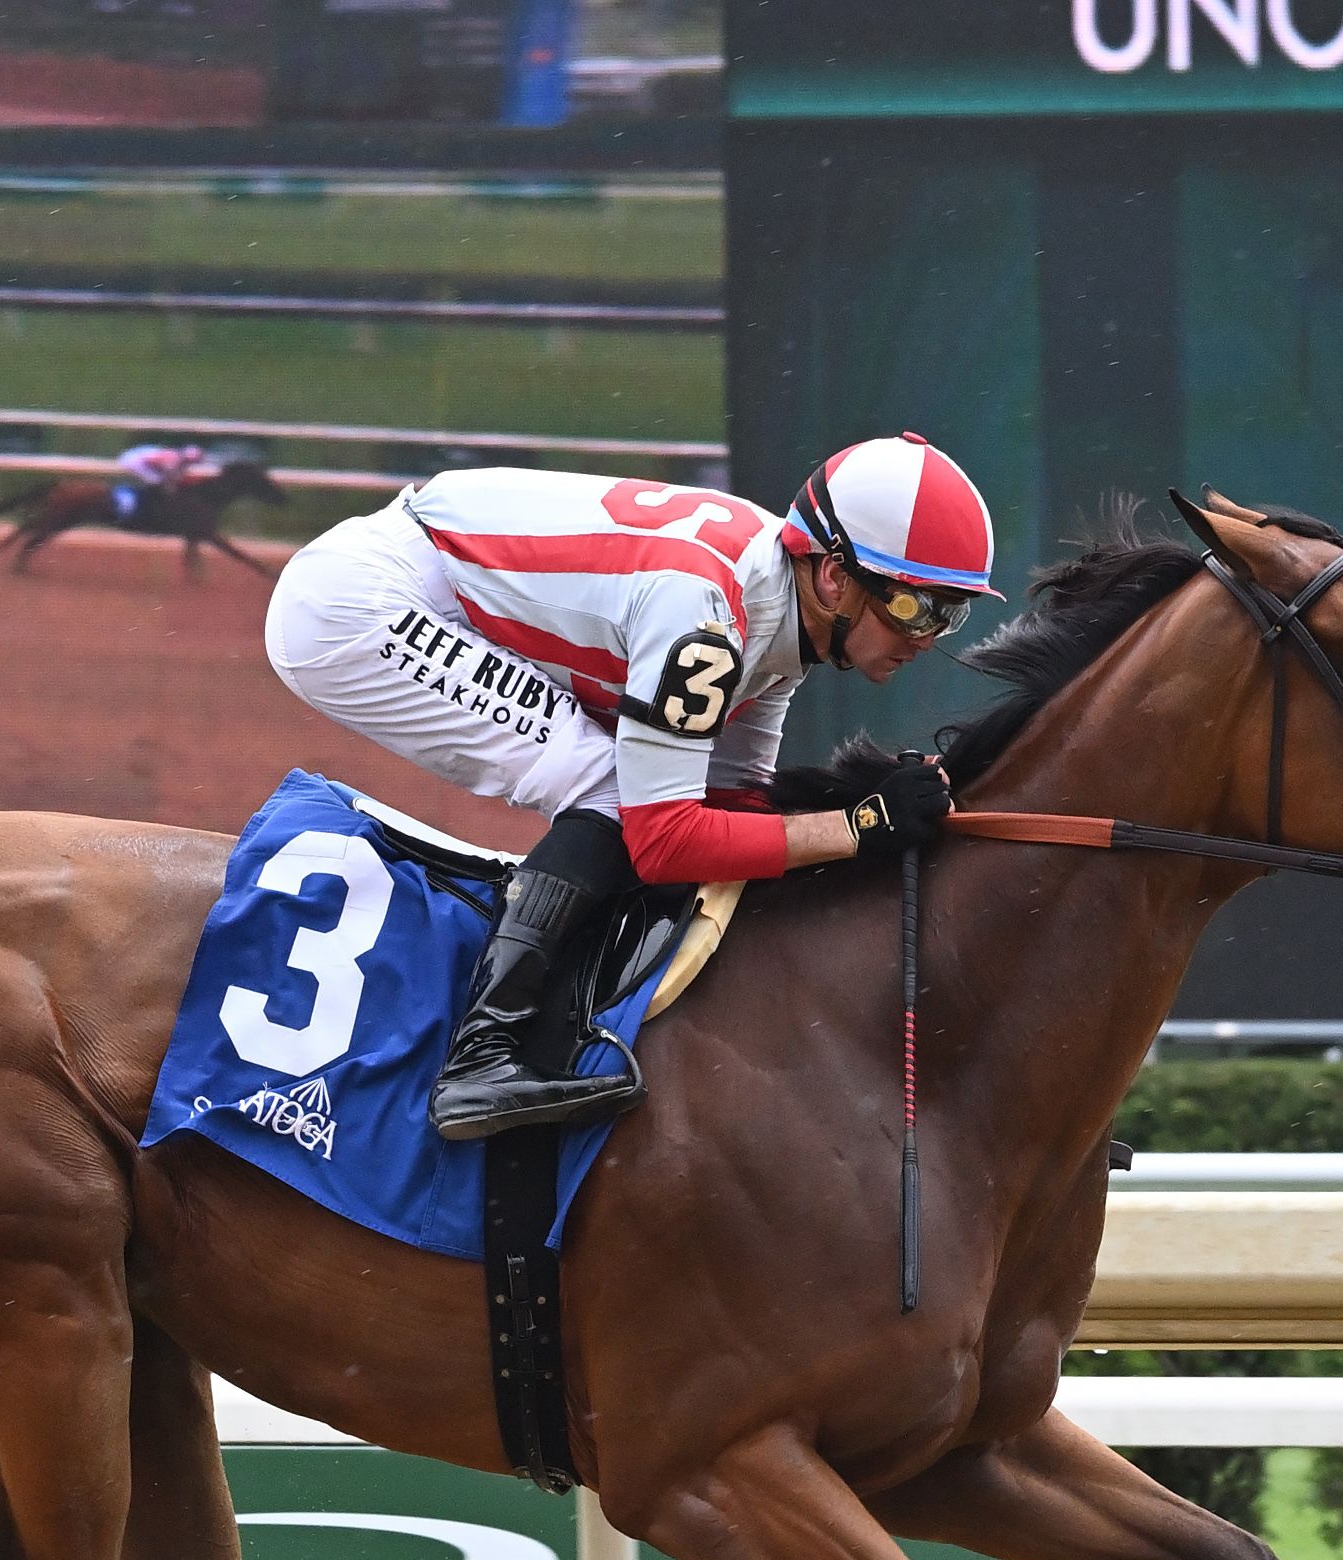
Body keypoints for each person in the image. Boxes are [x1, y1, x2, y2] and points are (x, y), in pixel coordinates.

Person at [264, 435, 993, 1140]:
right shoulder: (708, 624)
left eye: (949, 612)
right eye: (912, 606)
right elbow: (665, 838)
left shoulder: (779, 615)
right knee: (613, 789)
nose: (927, 636)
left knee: (644, 791)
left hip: (426, 574)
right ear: (835, 575)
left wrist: (861, 813)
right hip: (360, 606)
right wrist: (860, 825)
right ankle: (481, 1055)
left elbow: (733, 800)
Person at [110, 440, 210, 525]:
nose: (190, 463)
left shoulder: (180, 464)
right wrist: (165, 473)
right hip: (134, 461)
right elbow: (149, 461)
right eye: (190, 460)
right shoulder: (171, 457)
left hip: (141, 466)